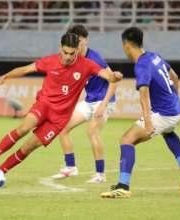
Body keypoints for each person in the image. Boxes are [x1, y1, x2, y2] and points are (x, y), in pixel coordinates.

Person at [0, 33, 123, 183]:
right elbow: (25, 70)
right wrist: (5, 76)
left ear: (77, 51)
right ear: (60, 47)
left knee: (29, 146)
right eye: (65, 52)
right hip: (45, 104)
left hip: (60, 119)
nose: (68, 57)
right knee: (24, 128)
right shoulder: (50, 61)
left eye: (72, 53)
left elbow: (109, 77)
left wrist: (115, 77)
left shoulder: (86, 64)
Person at [101, 27, 180, 199]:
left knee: (127, 140)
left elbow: (144, 94)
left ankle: (123, 186)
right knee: (168, 132)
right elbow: (175, 77)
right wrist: (175, 99)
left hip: (163, 114)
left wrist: (148, 121)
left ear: (126, 45)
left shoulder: (141, 65)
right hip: (177, 109)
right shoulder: (154, 56)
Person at [51, 25, 118, 183]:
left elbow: (113, 81)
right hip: (89, 100)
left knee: (92, 131)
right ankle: (70, 167)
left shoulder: (95, 58)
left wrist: (103, 105)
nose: (76, 43)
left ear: (85, 40)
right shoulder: (73, 58)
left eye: (79, 40)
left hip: (103, 100)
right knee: (62, 127)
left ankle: (100, 175)